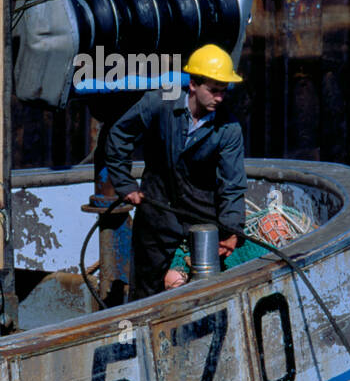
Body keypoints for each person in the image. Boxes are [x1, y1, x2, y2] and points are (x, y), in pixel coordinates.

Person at [103, 44, 247, 299]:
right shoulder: (159, 101)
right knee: (145, 289)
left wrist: (231, 230)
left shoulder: (229, 128)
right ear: (193, 85)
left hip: (202, 214)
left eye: (224, 91)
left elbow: (232, 184)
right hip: (156, 210)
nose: (220, 98)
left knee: (204, 287)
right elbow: (120, 134)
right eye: (213, 90)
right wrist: (125, 185)